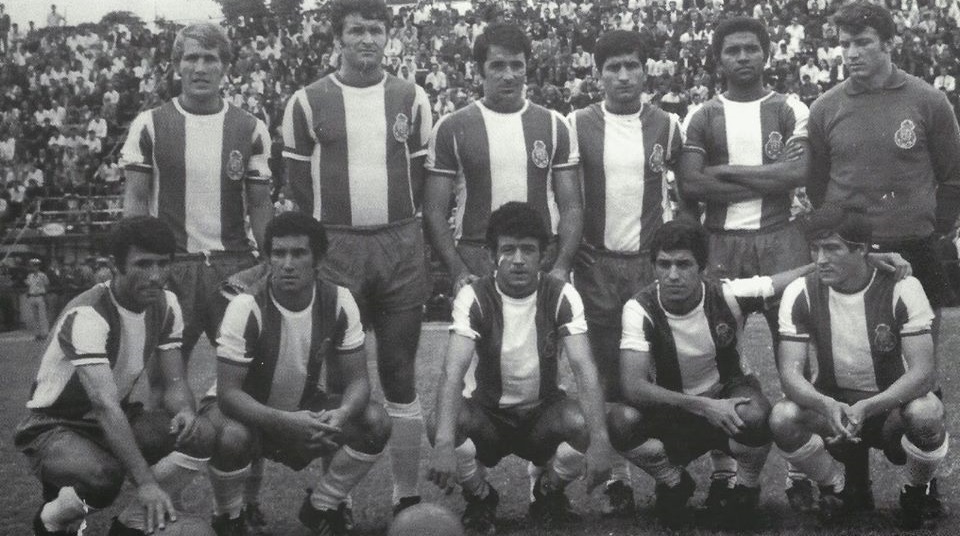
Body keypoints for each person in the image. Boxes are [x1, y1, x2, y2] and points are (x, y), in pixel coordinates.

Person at [281, 0, 433, 514]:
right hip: (337, 245)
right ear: (338, 38)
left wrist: (394, 224)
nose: (367, 39)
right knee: (340, 380)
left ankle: (406, 495)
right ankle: (336, 502)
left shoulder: (412, 97)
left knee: (399, 370)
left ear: (388, 36)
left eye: (376, 30)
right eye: (356, 30)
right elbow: (299, 186)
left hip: (400, 243)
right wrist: (332, 233)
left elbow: (417, 176)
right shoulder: (306, 101)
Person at [676, 16, 814, 509]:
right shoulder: (701, 115)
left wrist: (727, 171)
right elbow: (692, 184)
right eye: (732, 50)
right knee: (715, 357)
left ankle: (801, 472)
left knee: (794, 353)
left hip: (780, 239)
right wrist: (768, 176)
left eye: (750, 48)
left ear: (766, 54)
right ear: (718, 59)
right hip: (719, 243)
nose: (742, 57)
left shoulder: (790, 108)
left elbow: (797, 173)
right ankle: (727, 471)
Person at [606, 219, 818, 528]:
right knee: (620, 421)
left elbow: (781, 281)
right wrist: (704, 405)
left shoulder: (727, 294)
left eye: (683, 264)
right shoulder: (639, 309)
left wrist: (855, 261)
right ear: (653, 267)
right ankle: (674, 482)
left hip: (727, 398)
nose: (673, 274)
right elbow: (633, 386)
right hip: (675, 410)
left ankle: (744, 489)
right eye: (664, 264)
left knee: (756, 414)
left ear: (702, 268)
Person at [15, 217, 215, 536]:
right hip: (55, 424)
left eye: (163, 264)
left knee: (200, 433)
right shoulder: (89, 314)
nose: (155, 276)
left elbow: (175, 382)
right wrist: (146, 484)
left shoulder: (167, 304)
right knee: (103, 476)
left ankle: (130, 524)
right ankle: (49, 519)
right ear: (114, 265)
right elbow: (104, 405)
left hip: (116, 415)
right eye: (143, 264)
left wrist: (185, 411)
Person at [427, 202, 613, 534]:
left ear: (544, 255)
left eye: (528, 249)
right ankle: (481, 498)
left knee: (585, 423)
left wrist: (600, 440)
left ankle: (548, 494)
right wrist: (443, 444)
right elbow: (452, 372)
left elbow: (584, 367)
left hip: (542, 415)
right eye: (508, 249)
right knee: (441, 424)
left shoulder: (562, 295)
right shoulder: (473, 296)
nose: (517, 259)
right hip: (488, 417)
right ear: (490, 255)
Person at [202, 212, 391, 536]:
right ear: (268, 258)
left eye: (299, 253)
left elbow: (358, 381)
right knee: (232, 437)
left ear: (318, 259)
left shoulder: (339, 300)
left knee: (375, 421)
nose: (287, 264)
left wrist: (342, 414)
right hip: (242, 413)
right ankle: (229, 516)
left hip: (301, 407)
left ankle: (322, 505)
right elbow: (229, 394)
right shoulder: (245, 306)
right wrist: (286, 422)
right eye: (279, 253)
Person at [566, 29, 684, 516]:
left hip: (648, 266)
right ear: (598, 75)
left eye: (631, 65)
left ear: (645, 70)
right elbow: (565, 196)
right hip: (596, 264)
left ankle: (672, 470)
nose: (623, 75)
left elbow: (686, 194)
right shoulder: (575, 124)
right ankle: (617, 480)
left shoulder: (668, 125)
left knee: (662, 370)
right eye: (612, 67)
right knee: (604, 374)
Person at [771, 205, 948, 529]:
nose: (820, 259)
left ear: (862, 249)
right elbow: (790, 374)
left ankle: (916, 491)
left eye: (832, 248)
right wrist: (825, 404)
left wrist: (869, 406)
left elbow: (923, 373)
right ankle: (836, 489)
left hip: (889, 409)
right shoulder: (800, 291)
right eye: (815, 248)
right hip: (834, 409)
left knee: (927, 412)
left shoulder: (903, 287)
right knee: (783, 417)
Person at [121, 22, 272, 363]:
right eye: (191, 58)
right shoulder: (149, 124)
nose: (200, 68)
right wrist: (136, 259)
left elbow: (260, 204)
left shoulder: (250, 127)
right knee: (162, 375)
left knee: (249, 371)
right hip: (172, 264)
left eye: (210, 58)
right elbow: (136, 200)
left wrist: (270, 259)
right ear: (177, 65)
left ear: (225, 67)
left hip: (233, 263)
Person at [807, 1, 960, 320]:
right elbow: (816, 182)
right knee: (853, 342)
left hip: (915, 243)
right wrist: (841, 232)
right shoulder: (824, 107)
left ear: (889, 43)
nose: (851, 54)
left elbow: (953, 175)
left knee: (920, 341)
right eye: (845, 44)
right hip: (853, 249)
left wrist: (937, 228)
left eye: (863, 42)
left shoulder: (929, 100)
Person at [424, 22, 582, 294]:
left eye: (517, 65)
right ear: (479, 71)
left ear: (527, 67)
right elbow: (434, 210)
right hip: (477, 254)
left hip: (541, 254)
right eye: (498, 66)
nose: (509, 75)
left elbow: (571, 207)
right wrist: (457, 270)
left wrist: (562, 266)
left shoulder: (555, 124)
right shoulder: (451, 127)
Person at [25, 258, 50, 341]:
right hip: (32, 296)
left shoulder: (43, 275)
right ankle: (37, 334)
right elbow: (28, 286)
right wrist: (28, 294)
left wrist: (45, 295)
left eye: (36, 266)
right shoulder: (30, 276)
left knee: (42, 316)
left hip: (40, 296)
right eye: (32, 266)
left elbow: (47, 285)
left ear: (39, 266)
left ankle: (45, 334)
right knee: (34, 316)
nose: (34, 267)